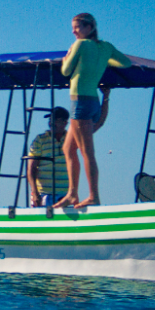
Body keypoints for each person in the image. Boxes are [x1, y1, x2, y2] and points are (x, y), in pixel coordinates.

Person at [55, 14, 131, 209]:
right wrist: (104, 61)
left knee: (86, 152)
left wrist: (66, 57)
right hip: (93, 101)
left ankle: (93, 196)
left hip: (80, 101)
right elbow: (125, 63)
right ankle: (72, 194)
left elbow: (65, 71)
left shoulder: (80, 45)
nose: (74, 31)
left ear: (89, 28)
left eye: (77, 27)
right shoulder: (106, 47)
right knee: (68, 148)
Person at [27, 94, 109, 207]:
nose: (51, 123)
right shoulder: (40, 140)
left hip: (65, 195)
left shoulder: (73, 138)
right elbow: (31, 168)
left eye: (55, 120)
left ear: (65, 122)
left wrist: (105, 99)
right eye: (50, 120)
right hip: (43, 194)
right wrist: (34, 192)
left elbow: (99, 123)